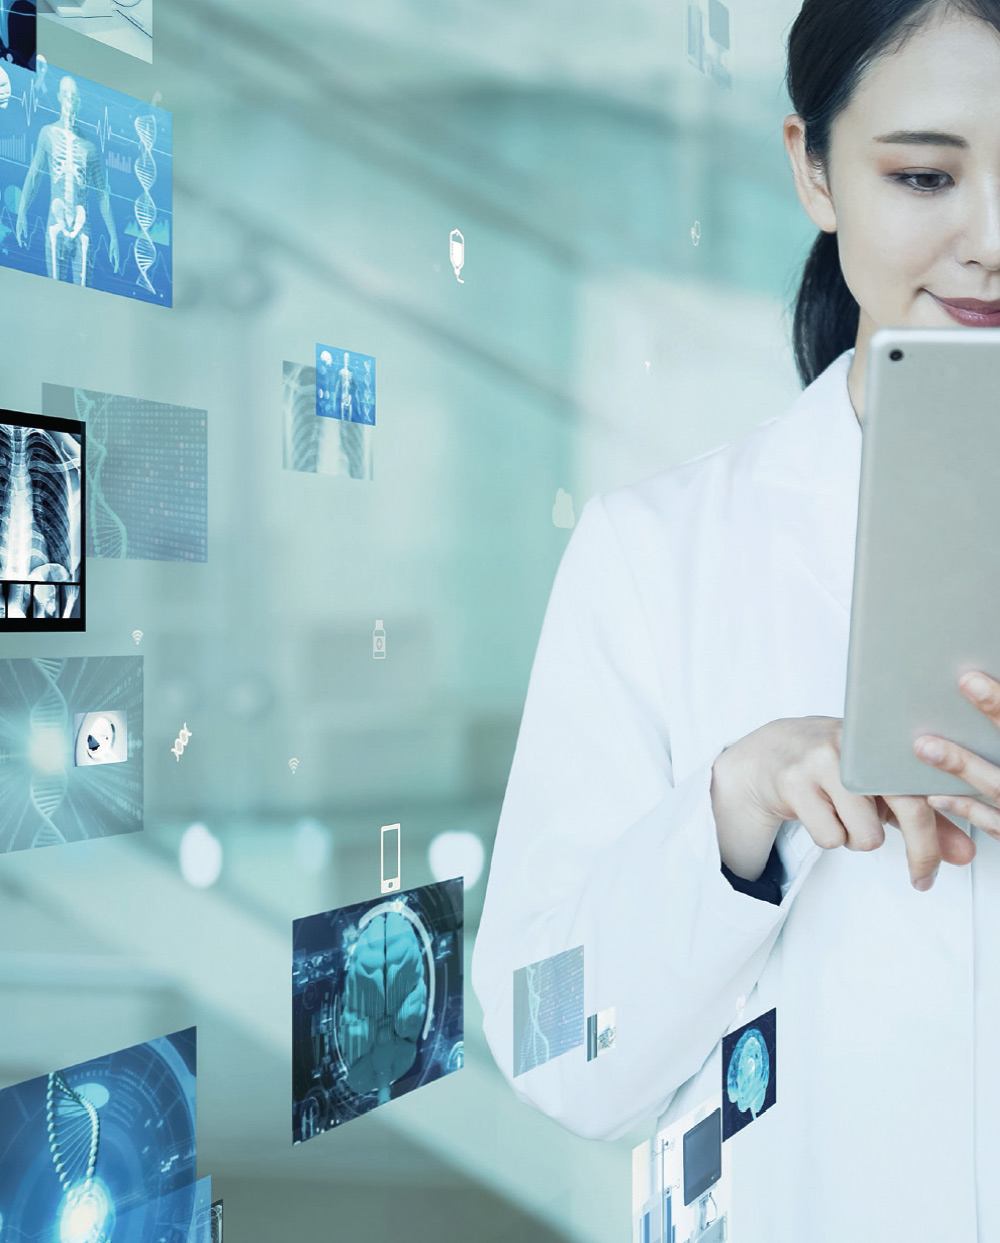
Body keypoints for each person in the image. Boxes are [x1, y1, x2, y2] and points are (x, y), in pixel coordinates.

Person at [471, 2, 1000, 1240]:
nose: (991, 241)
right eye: (925, 176)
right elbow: (553, 1051)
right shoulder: (656, 553)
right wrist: (734, 810)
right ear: (812, 169)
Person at [15, 74, 120, 287]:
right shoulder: (48, 134)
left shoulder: (90, 147)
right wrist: (21, 213)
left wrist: (114, 237)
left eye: (74, 95)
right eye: (66, 94)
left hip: (83, 228)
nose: (70, 98)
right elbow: (34, 175)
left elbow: (102, 194)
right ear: (59, 97)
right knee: (55, 289)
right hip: (55, 223)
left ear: (79, 101)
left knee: (83, 291)